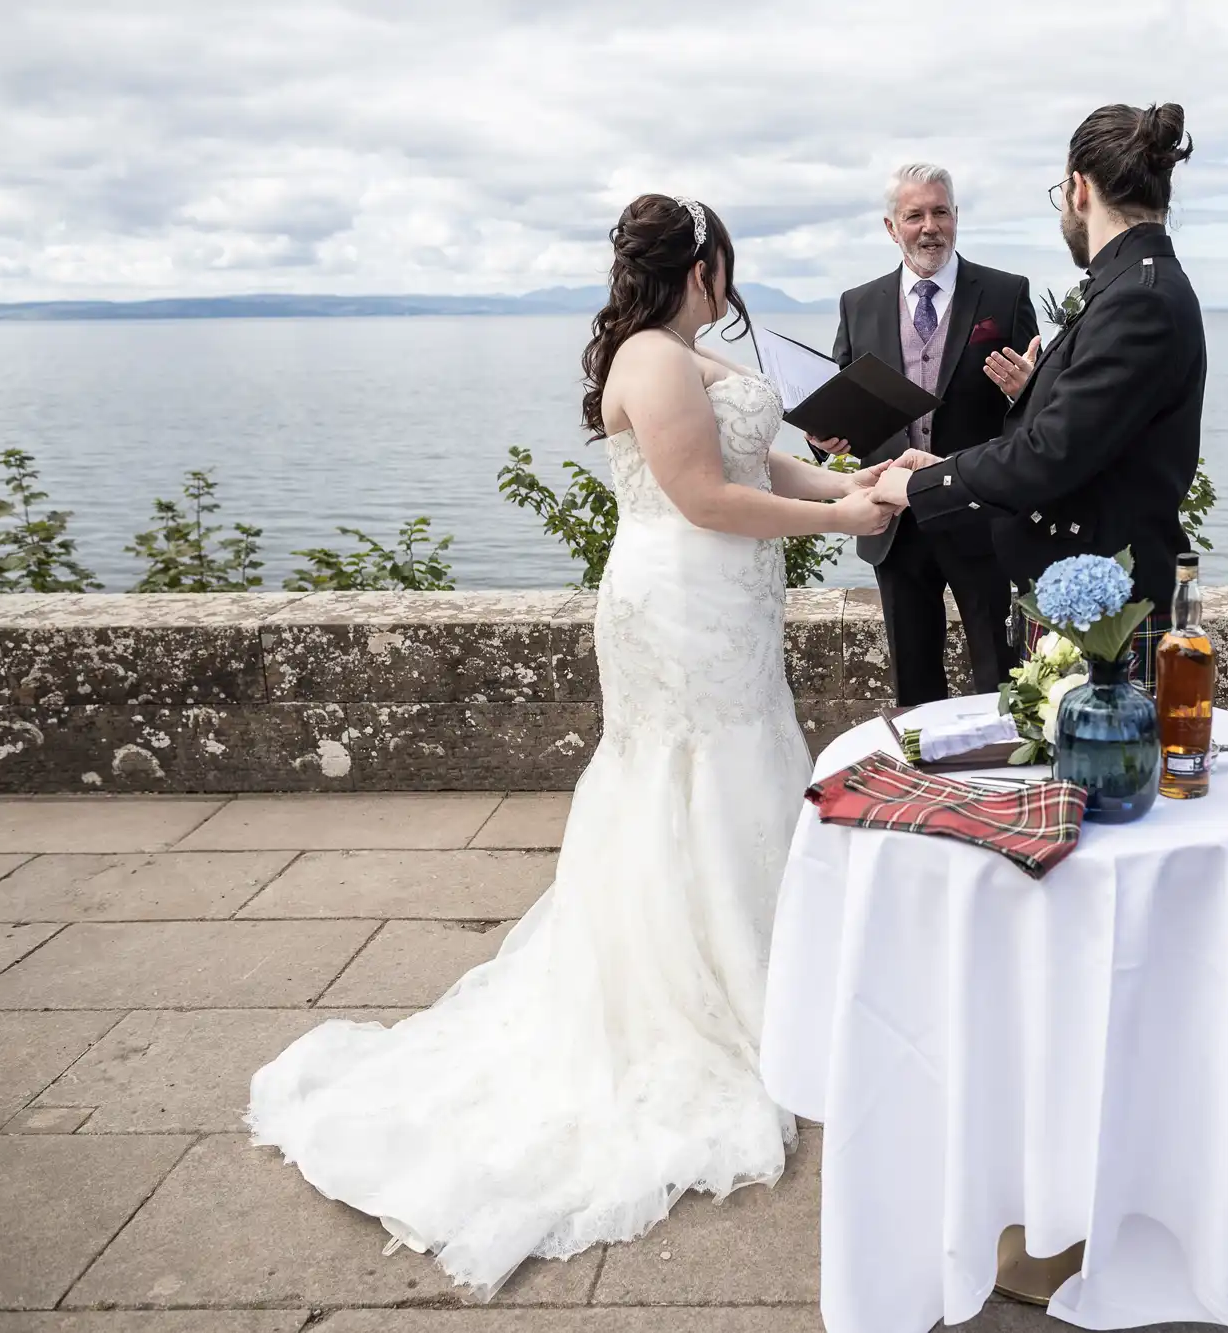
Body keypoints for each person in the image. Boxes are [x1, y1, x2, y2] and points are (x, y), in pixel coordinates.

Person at [247, 194, 899, 1300]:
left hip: (728, 605)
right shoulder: (649, 361)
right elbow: (701, 497)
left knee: (746, 769)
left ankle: (773, 976)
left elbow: (767, 463)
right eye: (724, 262)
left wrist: (855, 481)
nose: (730, 279)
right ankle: (715, 1000)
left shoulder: (689, 353)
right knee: (684, 782)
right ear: (698, 266)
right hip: (680, 598)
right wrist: (847, 526)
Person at [875, 105, 1206, 690]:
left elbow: (1049, 452)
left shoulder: (1138, 299)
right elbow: (1079, 429)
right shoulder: (1129, 285)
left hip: (1109, 608)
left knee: (1109, 781)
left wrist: (924, 482)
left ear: (1079, 189)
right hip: (1081, 591)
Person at [809, 163, 1041, 705]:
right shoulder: (857, 303)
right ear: (892, 227)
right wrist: (825, 438)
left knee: (1001, 680)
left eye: (940, 212)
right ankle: (920, 784)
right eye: (915, 215)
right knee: (913, 683)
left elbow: (1041, 409)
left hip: (980, 517)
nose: (929, 226)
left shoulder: (1006, 294)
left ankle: (1003, 784)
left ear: (956, 218)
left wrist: (1026, 390)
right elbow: (839, 400)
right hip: (895, 521)